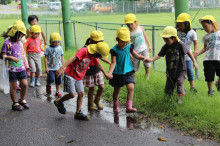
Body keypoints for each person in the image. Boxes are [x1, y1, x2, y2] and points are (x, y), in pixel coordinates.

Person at [54, 42, 110, 121]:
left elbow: (98, 65)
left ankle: (78, 112)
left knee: (81, 94)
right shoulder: (84, 51)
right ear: (96, 53)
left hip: (79, 76)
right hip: (70, 74)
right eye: (100, 56)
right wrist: (62, 67)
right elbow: (72, 58)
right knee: (72, 94)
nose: (100, 57)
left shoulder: (93, 56)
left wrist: (106, 74)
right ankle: (58, 102)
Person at [145, 26, 198, 104]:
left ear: (174, 38)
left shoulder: (180, 44)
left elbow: (188, 52)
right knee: (168, 91)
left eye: (167, 39)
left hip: (181, 70)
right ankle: (178, 93)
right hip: (170, 71)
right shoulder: (166, 46)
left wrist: (194, 61)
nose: (165, 40)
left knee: (179, 83)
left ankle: (180, 99)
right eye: (164, 39)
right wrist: (151, 60)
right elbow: (159, 55)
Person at [107, 27, 148, 113]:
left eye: (127, 41)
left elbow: (136, 55)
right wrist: (110, 73)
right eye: (123, 41)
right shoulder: (114, 50)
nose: (125, 44)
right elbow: (113, 63)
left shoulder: (129, 47)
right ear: (117, 39)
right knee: (116, 92)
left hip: (128, 71)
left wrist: (144, 57)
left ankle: (129, 107)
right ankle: (115, 106)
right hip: (118, 73)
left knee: (131, 88)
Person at [0, 20, 29, 111]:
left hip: (21, 67)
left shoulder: (19, 43)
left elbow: (22, 53)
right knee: (13, 86)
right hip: (11, 69)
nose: (21, 38)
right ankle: (15, 103)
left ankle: (22, 99)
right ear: (16, 34)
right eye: (21, 36)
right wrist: (10, 57)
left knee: (24, 84)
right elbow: (1, 55)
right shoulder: (7, 43)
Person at [83, 30, 111, 110]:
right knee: (91, 88)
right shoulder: (87, 49)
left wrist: (109, 62)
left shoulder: (97, 47)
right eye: (97, 42)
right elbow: (97, 62)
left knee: (101, 86)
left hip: (96, 70)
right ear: (91, 41)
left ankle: (97, 100)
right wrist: (105, 73)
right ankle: (90, 103)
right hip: (89, 71)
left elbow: (100, 57)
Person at [196, 15, 220, 95]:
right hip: (208, 60)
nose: (204, 29)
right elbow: (205, 48)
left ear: (212, 24)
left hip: (218, 58)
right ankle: (210, 91)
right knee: (209, 76)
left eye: (205, 26)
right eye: (203, 27)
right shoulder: (206, 37)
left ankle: (218, 83)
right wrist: (198, 53)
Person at [176, 13, 199, 92]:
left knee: (189, 70)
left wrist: (195, 51)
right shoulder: (176, 31)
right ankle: (180, 86)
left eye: (181, 25)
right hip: (178, 56)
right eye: (178, 24)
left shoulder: (192, 33)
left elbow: (196, 43)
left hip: (188, 56)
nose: (179, 26)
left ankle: (192, 86)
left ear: (187, 24)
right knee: (179, 72)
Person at [124, 13, 152, 79]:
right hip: (134, 52)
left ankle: (147, 77)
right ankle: (134, 79)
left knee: (147, 63)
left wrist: (149, 46)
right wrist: (130, 53)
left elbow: (145, 37)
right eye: (128, 25)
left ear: (135, 22)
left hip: (143, 49)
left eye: (131, 24)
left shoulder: (141, 28)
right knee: (134, 67)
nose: (130, 26)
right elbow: (127, 44)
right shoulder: (128, 32)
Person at [44, 32, 64, 100]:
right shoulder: (48, 48)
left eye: (58, 42)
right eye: (55, 42)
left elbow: (62, 58)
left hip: (58, 67)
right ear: (51, 42)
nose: (56, 43)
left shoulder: (60, 48)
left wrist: (63, 67)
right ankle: (48, 85)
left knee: (58, 80)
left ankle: (57, 91)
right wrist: (46, 67)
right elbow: (46, 58)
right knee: (51, 79)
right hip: (50, 68)